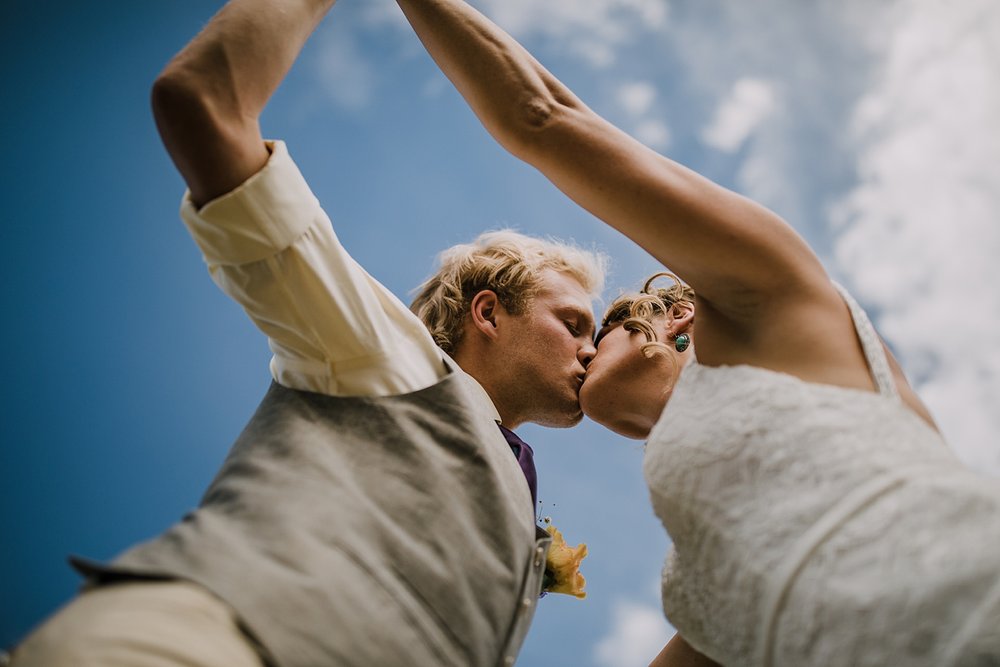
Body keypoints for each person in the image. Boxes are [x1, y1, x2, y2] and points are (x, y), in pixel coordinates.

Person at [391, 0, 1000, 665]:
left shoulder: (772, 303)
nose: (585, 350)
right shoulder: (706, 577)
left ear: (675, 317)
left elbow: (542, 115)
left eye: (599, 328)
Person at [8, 1, 606, 666]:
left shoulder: (523, 527)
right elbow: (205, 105)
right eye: (573, 323)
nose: (591, 347)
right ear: (488, 314)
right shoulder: (386, 351)